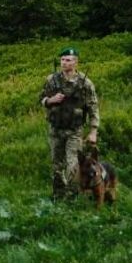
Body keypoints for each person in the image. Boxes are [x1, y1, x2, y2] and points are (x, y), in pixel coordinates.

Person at [39, 47, 100, 199]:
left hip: (74, 130)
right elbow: (41, 99)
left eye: (68, 60)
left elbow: (93, 107)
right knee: (57, 165)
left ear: (75, 62)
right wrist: (50, 100)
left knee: (73, 164)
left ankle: (73, 195)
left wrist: (93, 132)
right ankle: (58, 195)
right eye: (62, 60)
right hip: (56, 129)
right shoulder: (51, 80)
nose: (64, 63)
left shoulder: (85, 83)